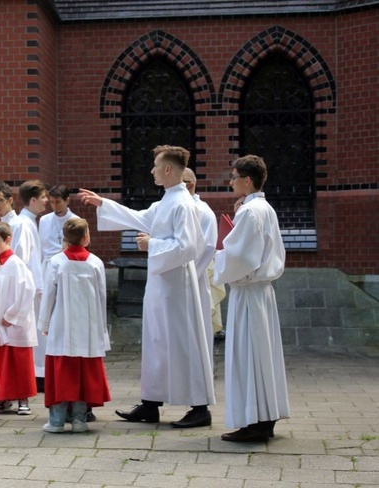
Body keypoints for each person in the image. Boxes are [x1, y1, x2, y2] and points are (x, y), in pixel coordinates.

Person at [79, 145, 215, 429]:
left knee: (181, 342)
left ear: (168, 169)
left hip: (177, 284)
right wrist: (103, 203)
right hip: (163, 282)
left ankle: (200, 408)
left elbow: (189, 247)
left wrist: (151, 244)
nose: (151, 170)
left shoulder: (183, 204)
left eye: (155, 165)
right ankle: (151, 404)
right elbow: (140, 217)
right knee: (157, 341)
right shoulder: (168, 200)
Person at [214, 155, 290, 442]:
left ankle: (253, 422)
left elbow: (240, 257)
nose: (231, 182)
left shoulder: (250, 212)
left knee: (248, 355)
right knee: (262, 356)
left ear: (247, 180)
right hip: (261, 292)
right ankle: (264, 417)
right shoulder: (264, 207)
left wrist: (218, 255)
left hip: (248, 291)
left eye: (234, 177)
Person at [38, 218, 111, 433]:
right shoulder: (96, 263)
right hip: (87, 327)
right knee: (82, 372)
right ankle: (79, 420)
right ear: (86, 237)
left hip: (61, 325)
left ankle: (57, 421)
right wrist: (101, 328)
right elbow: (101, 297)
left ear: (64, 238)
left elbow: (48, 296)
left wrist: (44, 322)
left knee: (62, 372)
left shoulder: (57, 262)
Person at [0, 222, 38, 416]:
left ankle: (23, 399)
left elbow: (27, 290)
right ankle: (3, 397)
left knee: (18, 361)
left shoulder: (16, 263)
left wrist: (12, 315)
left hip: (14, 322)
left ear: (8, 240)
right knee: (1, 362)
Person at [182, 168, 218, 365]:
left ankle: (199, 378)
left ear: (190, 185)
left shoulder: (203, 211)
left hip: (193, 279)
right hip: (176, 280)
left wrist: (187, 274)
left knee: (196, 331)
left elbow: (208, 247)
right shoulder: (178, 207)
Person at [39, 184, 79, 262]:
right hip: (47, 265)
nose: (55, 206)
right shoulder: (44, 220)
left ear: (67, 200)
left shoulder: (76, 221)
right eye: (52, 202)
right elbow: (41, 248)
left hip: (68, 263)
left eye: (58, 202)